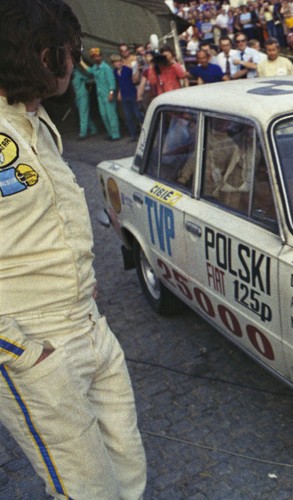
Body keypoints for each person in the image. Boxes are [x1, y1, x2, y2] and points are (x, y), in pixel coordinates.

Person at [0, 1, 147, 498]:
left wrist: (79, 282)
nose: (77, 60)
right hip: (34, 344)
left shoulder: (36, 123)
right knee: (87, 490)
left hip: (88, 321)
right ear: (46, 55)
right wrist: (21, 352)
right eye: (72, 50)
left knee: (128, 470)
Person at [86, 48, 121, 141]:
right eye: (94, 57)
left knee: (111, 115)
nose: (96, 58)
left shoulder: (106, 68)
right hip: (100, 95)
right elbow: (88, 70)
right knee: (104, 115)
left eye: (97, 56)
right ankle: (110, 133)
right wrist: (80, 61)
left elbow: (111, 81)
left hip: (107, 94)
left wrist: (111, 93)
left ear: (101, 56)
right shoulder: (95, 68)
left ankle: (116, 134)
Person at [111, 54, 143, 141]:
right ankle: (133, 135)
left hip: (132, 93)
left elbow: (135, 79)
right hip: (124, 95)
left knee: (138, 114)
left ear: (121, 62)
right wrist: (119, 93)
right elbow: (120, 83)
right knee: (128, 116)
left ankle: (146, 131)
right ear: (113, 64)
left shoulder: (127, 69)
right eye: (115, 62)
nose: (118, 63)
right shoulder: (115, 72)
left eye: (119, 61)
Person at [70, 65, 98, 140]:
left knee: (83, 114)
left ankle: (83, 134)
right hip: (76, 96)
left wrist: (96, 79)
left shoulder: (77, 73)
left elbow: (87, 79)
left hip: (83, 95)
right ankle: (93, 129)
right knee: (84, 113)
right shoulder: (69, 76)